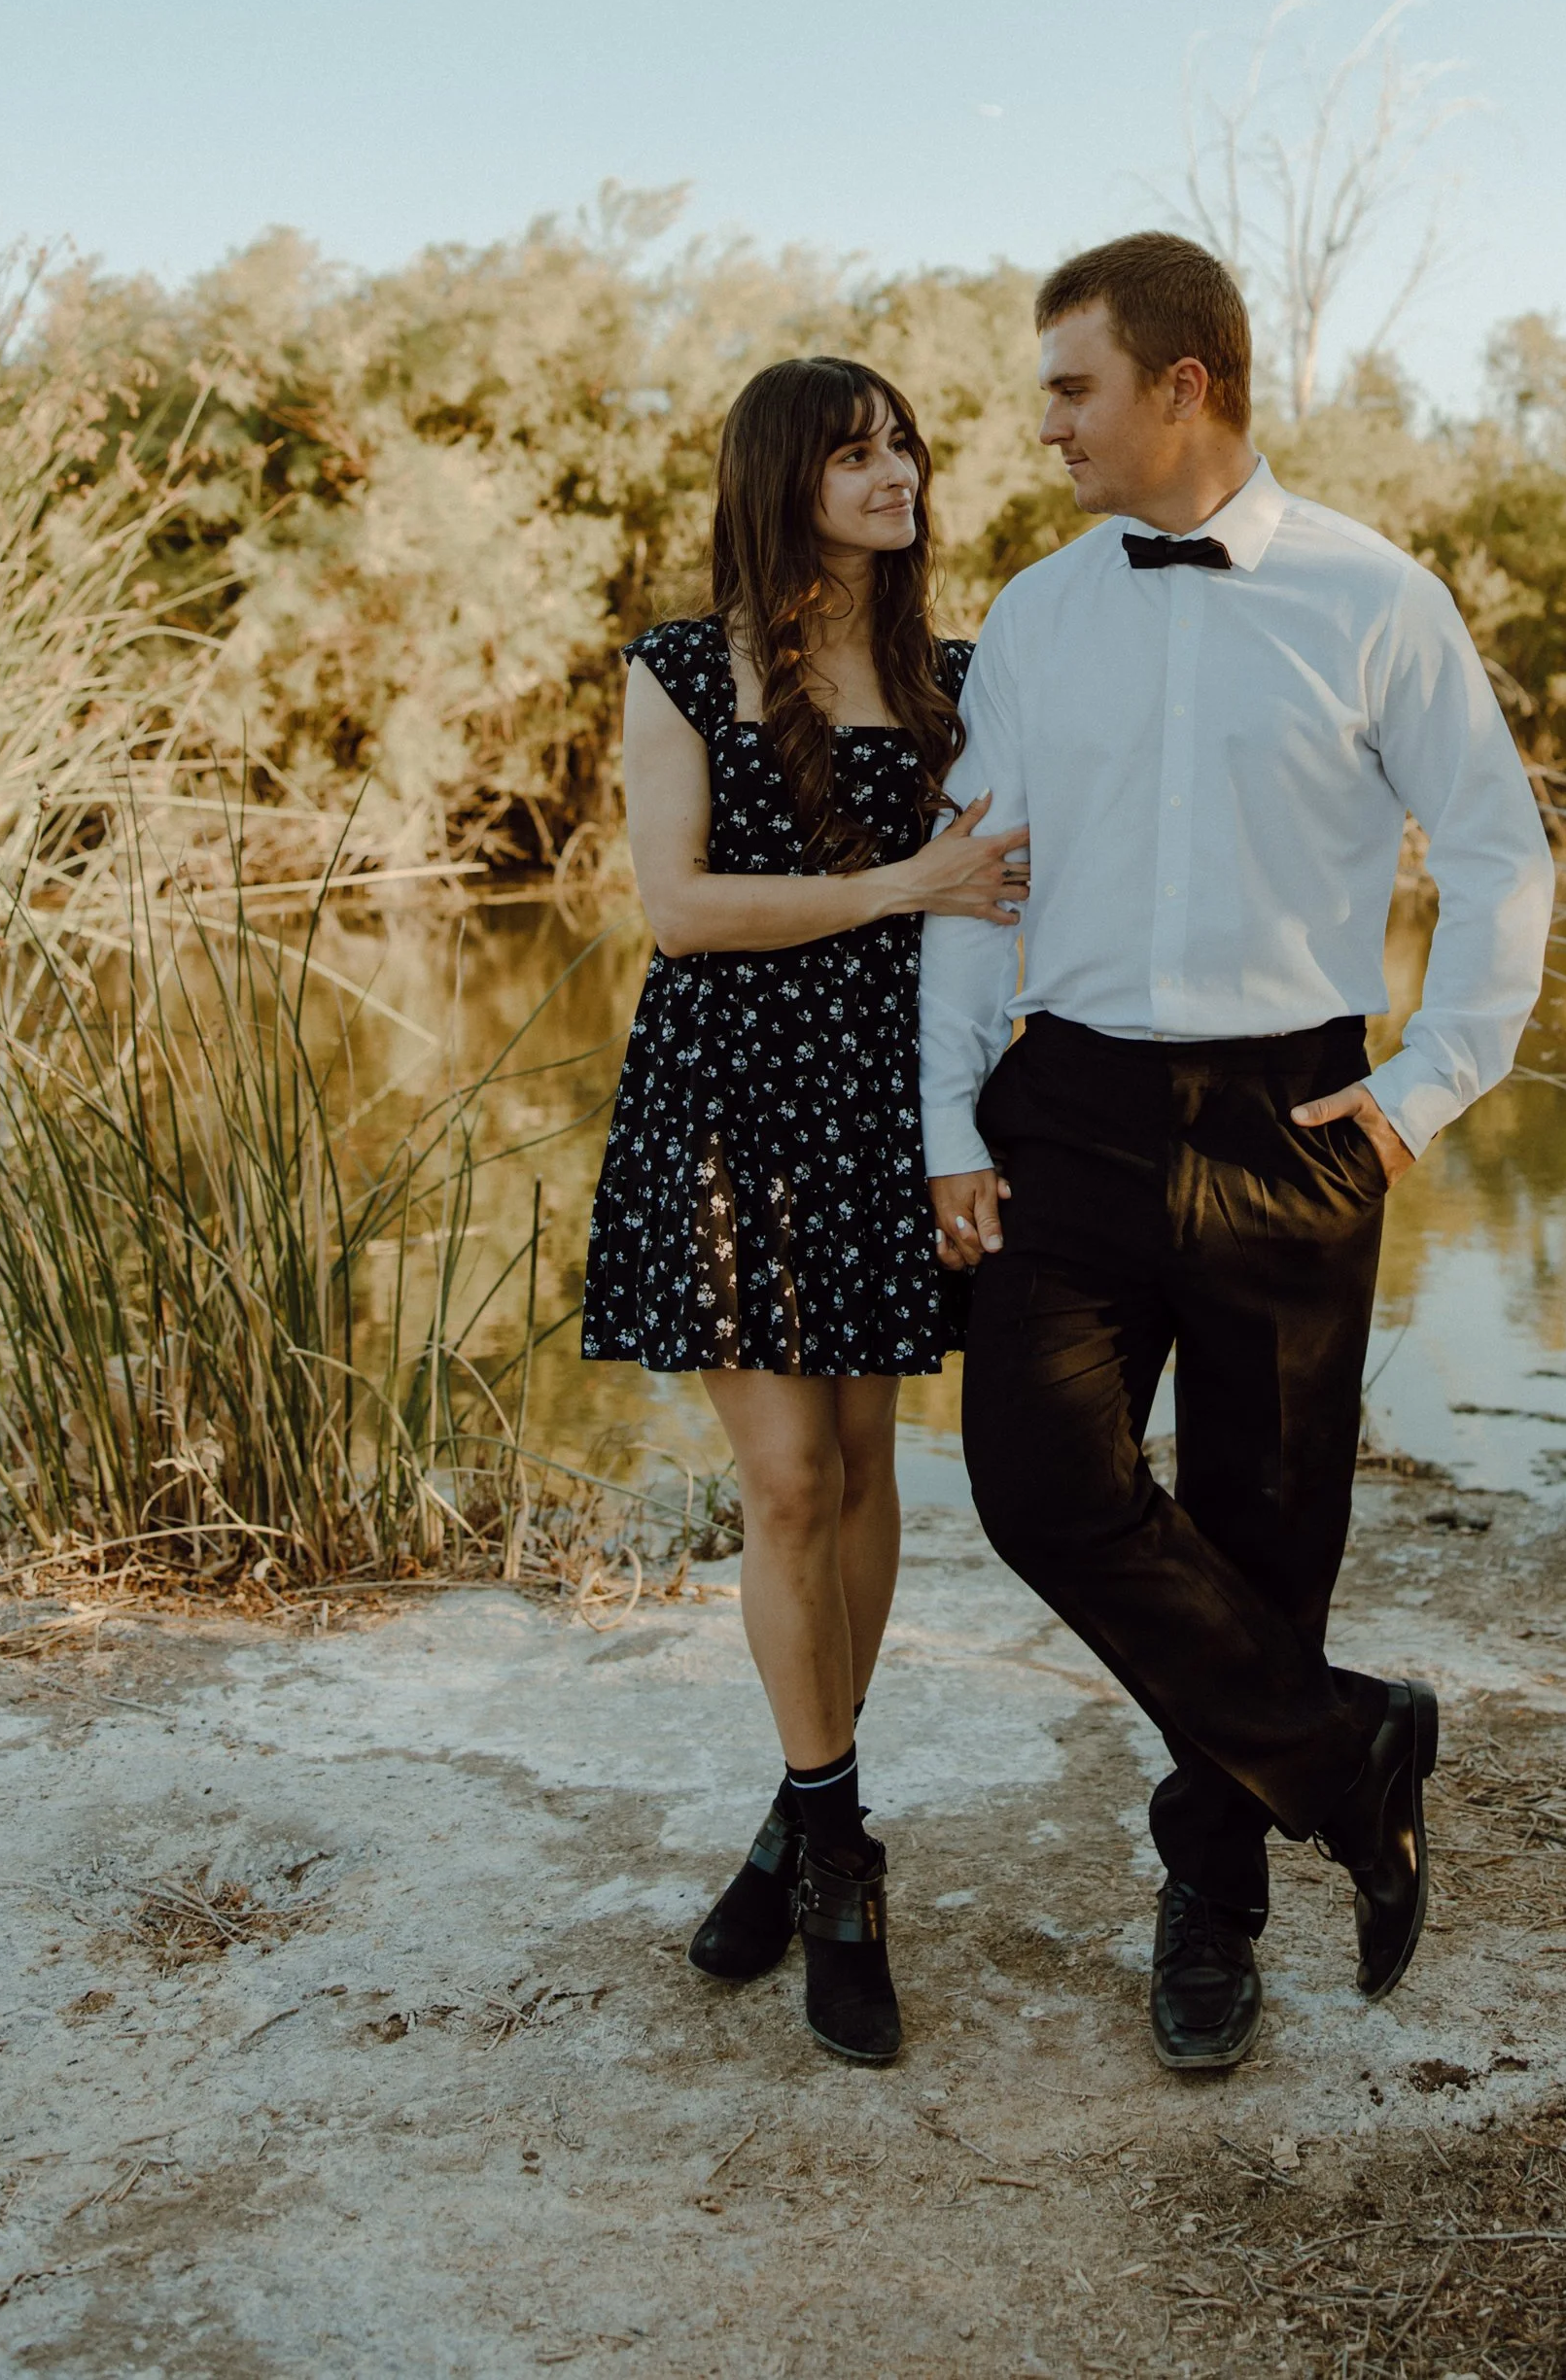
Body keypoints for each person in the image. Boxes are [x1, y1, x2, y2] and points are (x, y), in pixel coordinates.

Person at [920, 232, 1554, 2075]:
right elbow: (979, 881)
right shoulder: (1039, 612)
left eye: (1073, 386)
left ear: (1181, 386)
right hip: (1075, 1103)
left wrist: (1429, 1085)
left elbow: (1504, 853)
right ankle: (1353, 1751)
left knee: (1274, 1526)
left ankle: (1217, 1898)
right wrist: (950, 1112)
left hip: (1295, 1113)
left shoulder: (1375, 594)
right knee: (1042, 1484)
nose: (1046, 424)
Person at [583, 357, 1027, 2065]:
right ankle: (843, 1861)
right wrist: (901, 882)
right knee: (782, 1478)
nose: (896, 467)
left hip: (888, 1112)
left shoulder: (959, 678)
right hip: (727, 1107)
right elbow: (681, 908)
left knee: (863, 1473)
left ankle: (799, 1811)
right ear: (786, 476)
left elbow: (1001, 902)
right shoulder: (681, 667)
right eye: (856, 450)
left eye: (905, 439)